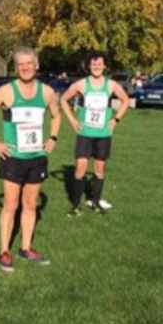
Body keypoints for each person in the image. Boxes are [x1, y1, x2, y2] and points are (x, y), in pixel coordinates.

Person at [0, 47, 61, 272]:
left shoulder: (46, 92)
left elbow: (56, 115)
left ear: (37, 65)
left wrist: (53, 137)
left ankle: (25, 248)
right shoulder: (7, 91)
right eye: (21, 64)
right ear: (16, 68)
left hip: (37, 157)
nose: (25, 67)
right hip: (14, 158)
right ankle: (4, 252)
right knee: (11, 204)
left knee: (30, 205)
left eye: (29, 63)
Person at [60, 53, 129, 216]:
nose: (96, 67)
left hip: (103, 134)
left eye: (99, 64)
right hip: (85, 133)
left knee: (99, 169)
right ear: (89, 66)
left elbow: (125, 100)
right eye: (93, 64)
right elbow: (63, 99)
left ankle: (96, 203)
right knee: (80, 169)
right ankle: (76, 206)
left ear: (104, 66)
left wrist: (115, 120)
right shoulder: (82, 84)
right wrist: (73, 121)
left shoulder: (111, 85)